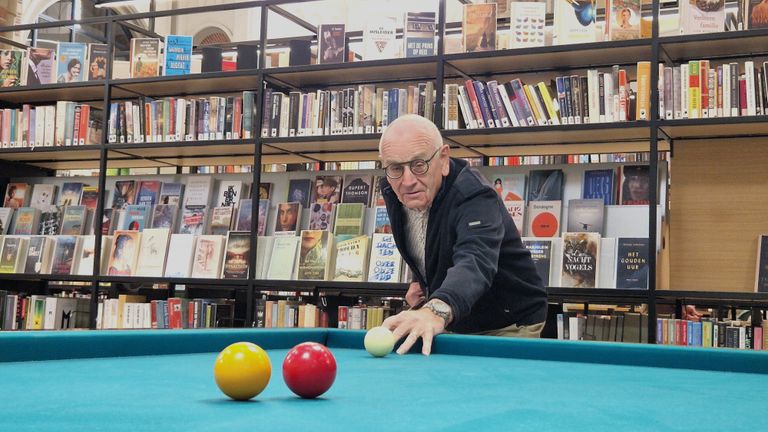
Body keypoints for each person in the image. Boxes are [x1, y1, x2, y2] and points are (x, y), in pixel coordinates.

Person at [378, 114, 547, 355]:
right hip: (457, 317)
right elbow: (427, 236)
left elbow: (475, 260)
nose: (407, 181)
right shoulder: (391, 187)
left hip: (508, 322)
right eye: (396, 167)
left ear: (443, 159)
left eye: (419, 165)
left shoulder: (475, 196)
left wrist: (434, 310)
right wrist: (422, 280)